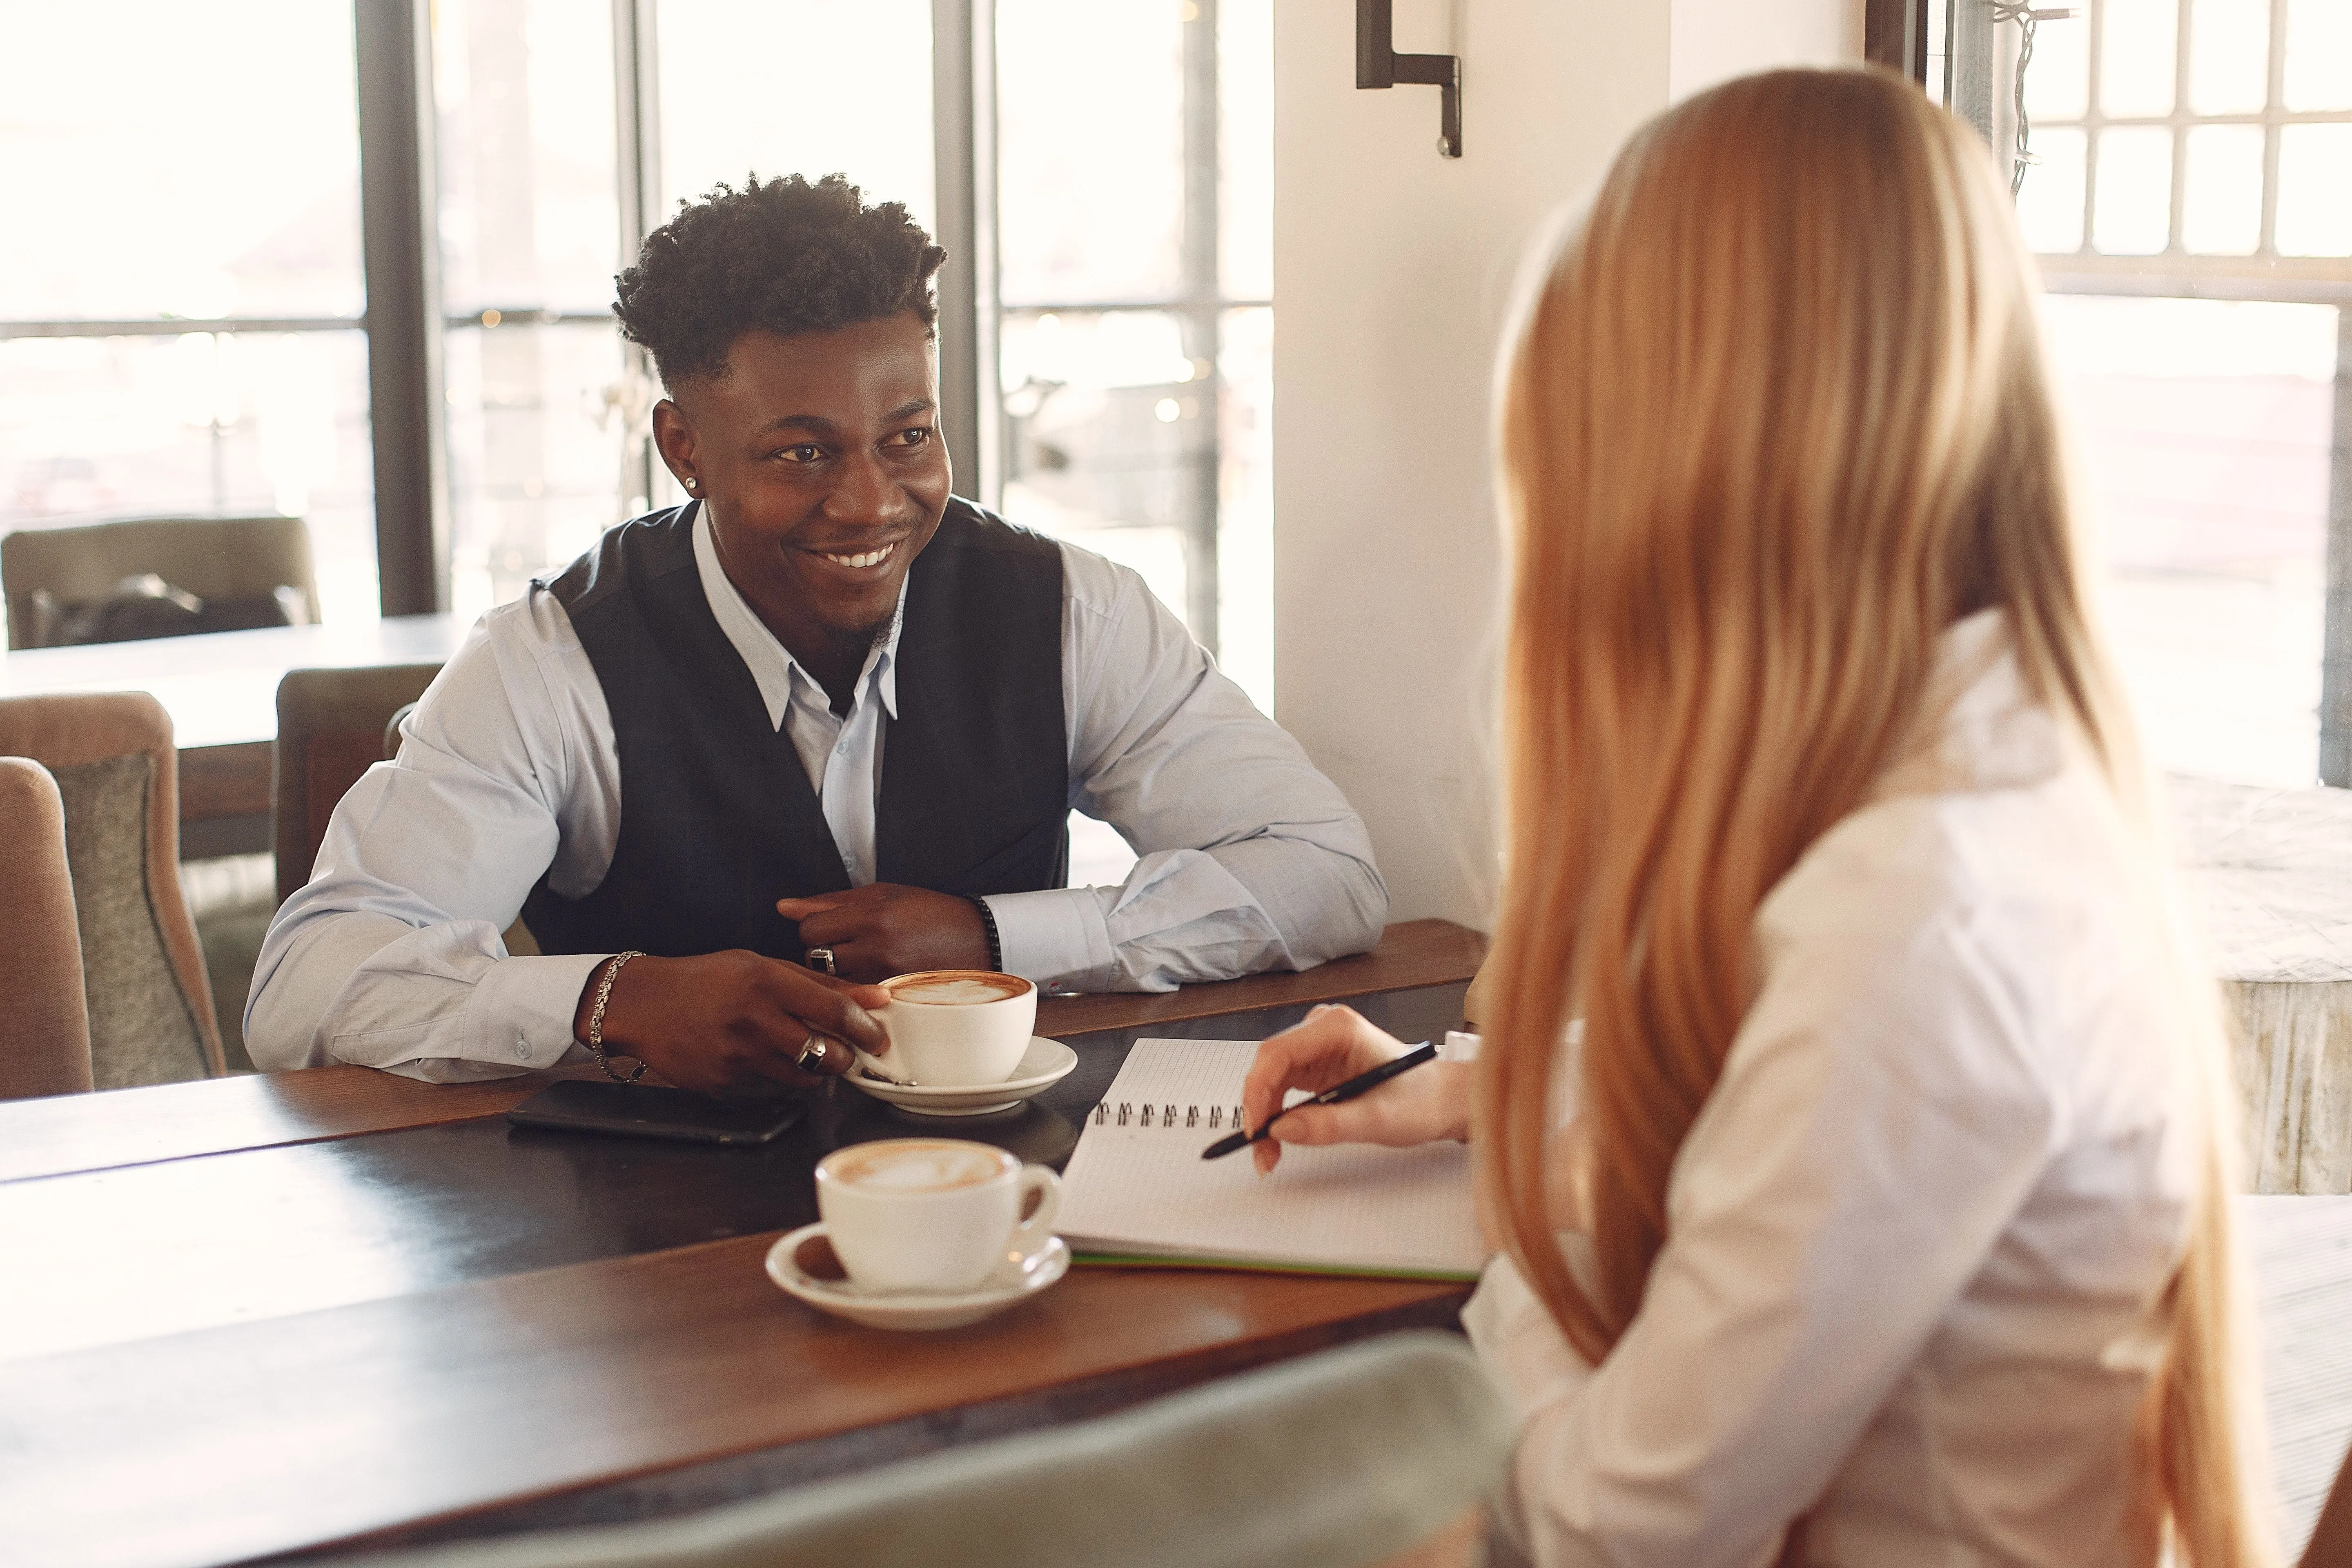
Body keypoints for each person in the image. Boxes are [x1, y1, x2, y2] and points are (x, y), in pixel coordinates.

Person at [1242, 70, 2273, 1567]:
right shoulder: (1993, 791)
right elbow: (1801, 1107)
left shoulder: (1924, 914)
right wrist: (1492, 1088)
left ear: (1685, 484)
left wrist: (1533, 1206)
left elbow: (1606, 1531)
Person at [247, 174, 1385, 1090]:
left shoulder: (1071, 612)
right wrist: (611, 1002)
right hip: (656, 1248)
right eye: (802, 453)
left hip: (1005, 1201)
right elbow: (307, 983)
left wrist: (995, 941)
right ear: (684, 448)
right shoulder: (550, 662)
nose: (870, 502)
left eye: (908, 438)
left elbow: (1325, 875)